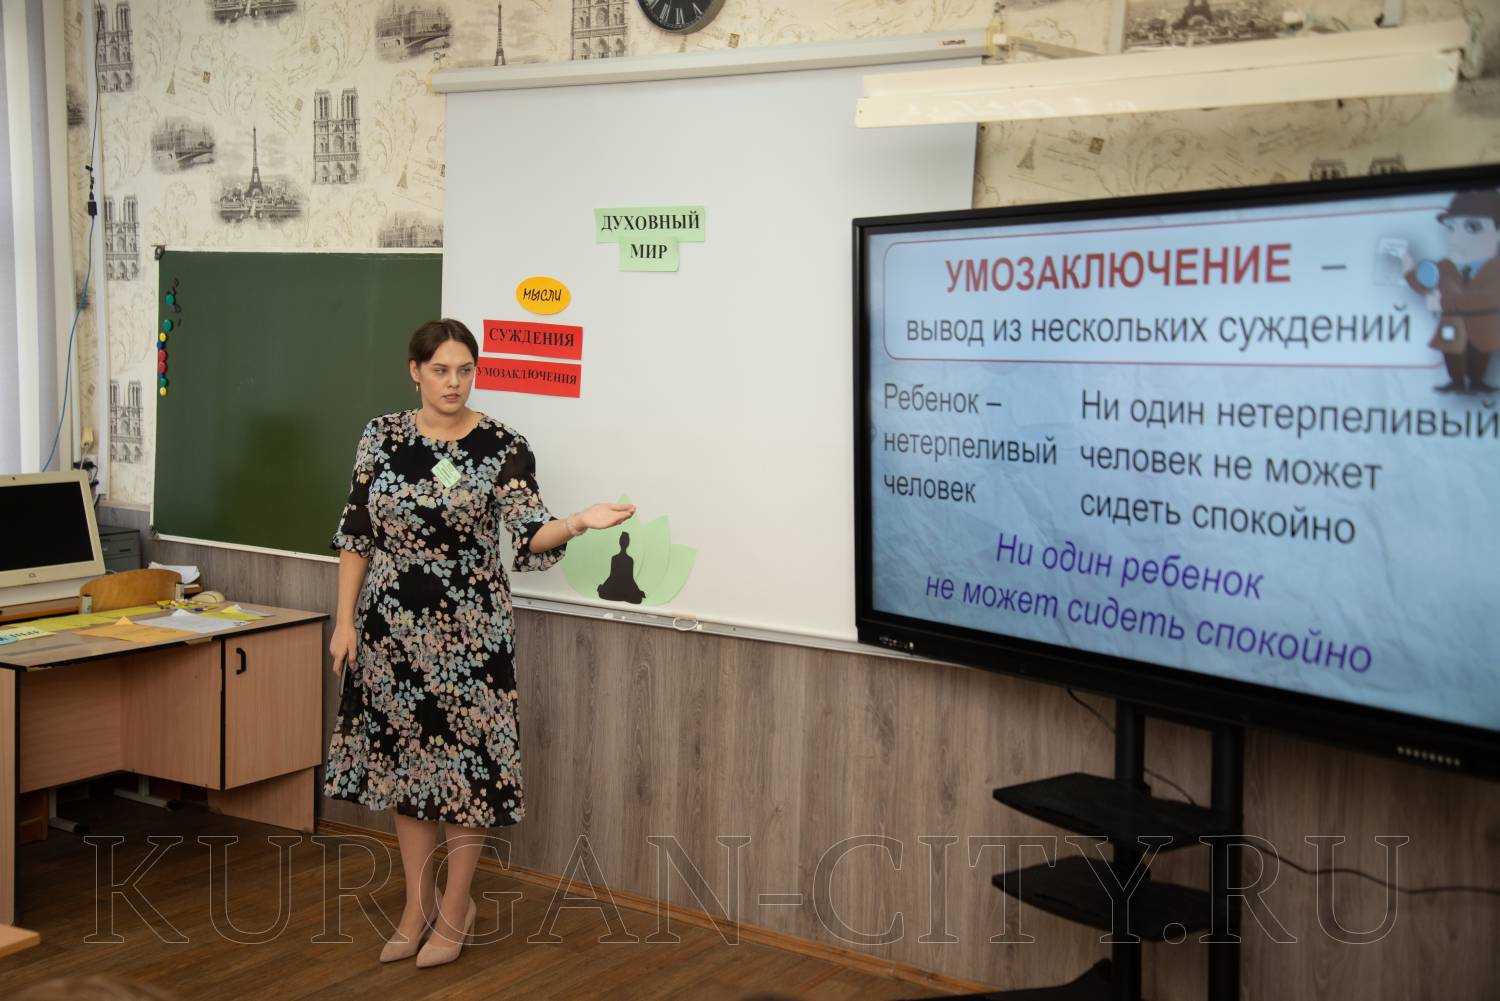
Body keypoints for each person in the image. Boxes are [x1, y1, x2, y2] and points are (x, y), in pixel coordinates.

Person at [323, 318, 633, 967]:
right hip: (391, 631)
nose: (454, 382)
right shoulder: (380, 436)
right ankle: (417, 903)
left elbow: (529, 533)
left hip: (472, 635)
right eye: (441, 370)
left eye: (465, 370)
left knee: (468, 775)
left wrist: (577, 521)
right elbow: (356, 533)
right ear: (415, 371)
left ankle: (456, 907)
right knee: (409, 770)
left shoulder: (503, 445)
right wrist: (345, 620)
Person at [1402, 189, 1500, 394]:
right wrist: (1409, 270)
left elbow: (1490, 297)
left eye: (1472, 227)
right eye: (1451, 227)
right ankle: (1456, 381)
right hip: (1452, 327)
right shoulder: (1445, 266)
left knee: (1480, 354)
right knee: (1453, 354)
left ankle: (1477, 381)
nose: (1457, 237)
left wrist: (1444, 302)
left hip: (1482, 326)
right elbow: (1424, 283)